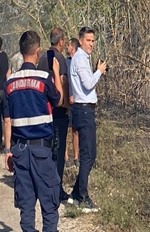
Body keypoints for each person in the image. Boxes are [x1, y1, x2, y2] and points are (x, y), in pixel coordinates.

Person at [3, 30, 65, 232]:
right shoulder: (44, 78)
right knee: (49, 200)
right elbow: (58, 100)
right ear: (38, 51)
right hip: (41, 151)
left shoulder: (10, 83)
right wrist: (56, 73)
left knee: (26, 203)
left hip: (20, 151)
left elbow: (8, 120)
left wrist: (8, 150)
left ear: (21, 51)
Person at [69, 26, 106, 212]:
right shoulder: (81, 59)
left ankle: (76, 193)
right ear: (81, 40)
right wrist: (99, 71)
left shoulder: (80, 58)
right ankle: (83, 197)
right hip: (84, 110)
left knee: (89, 154)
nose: (91, 44)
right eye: (88, 40)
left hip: (83, 109)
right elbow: (88, 83)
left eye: (93, 40)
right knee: (88, 155)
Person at [43, 28, 70, 196]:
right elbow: (63, 81)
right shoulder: (59, 58)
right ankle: (57, 188)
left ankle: (46, 184)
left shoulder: (42, 58)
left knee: (48, 148)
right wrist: (66, 105)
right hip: (58, 110)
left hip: (45, 109)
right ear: (61, 41)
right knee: (59, 150)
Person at [66, 38, 80, 162]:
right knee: (66, 129)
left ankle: (76, 157)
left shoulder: (80, 62)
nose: (66, 47)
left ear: (73, 47)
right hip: (67, 102)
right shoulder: (66, 62)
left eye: (68, 45)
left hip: (77, 101)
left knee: (76, 131)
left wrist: (75, 95)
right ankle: (65, 157)